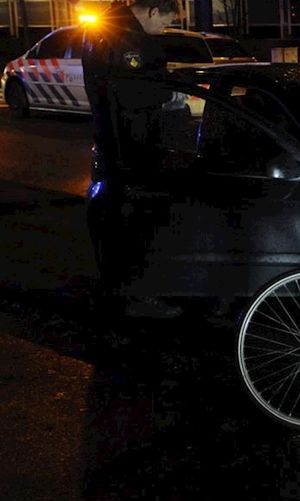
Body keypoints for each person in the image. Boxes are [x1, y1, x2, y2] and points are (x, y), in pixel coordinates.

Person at [81, 0, 182, 318]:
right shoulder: (128, 40)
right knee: (136, 220)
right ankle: (138, 295)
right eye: (166, 22)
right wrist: (169, 91)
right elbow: (130, 93)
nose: (165, 29)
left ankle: (113, 288)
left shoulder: (103, 29)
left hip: (111, 143)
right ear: (153, 11)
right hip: (130, 147)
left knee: (111, 219)